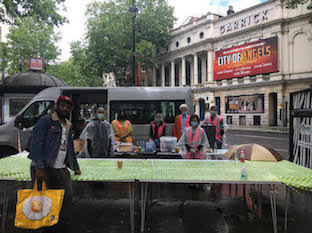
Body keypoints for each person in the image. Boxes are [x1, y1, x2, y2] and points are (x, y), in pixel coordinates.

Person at [28, 95, 81, 230]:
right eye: (62, 105)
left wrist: (75, 167)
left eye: (68, 107)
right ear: (56, 106)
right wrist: (39, 168)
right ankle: (42, 227)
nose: (65, 108)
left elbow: (69, 147)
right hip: (44, 166)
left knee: (66, 196)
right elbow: (36, 143)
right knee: (42, 199)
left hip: (60, 167)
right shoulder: (46, 121)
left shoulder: (68, 125)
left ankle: (59, 225)